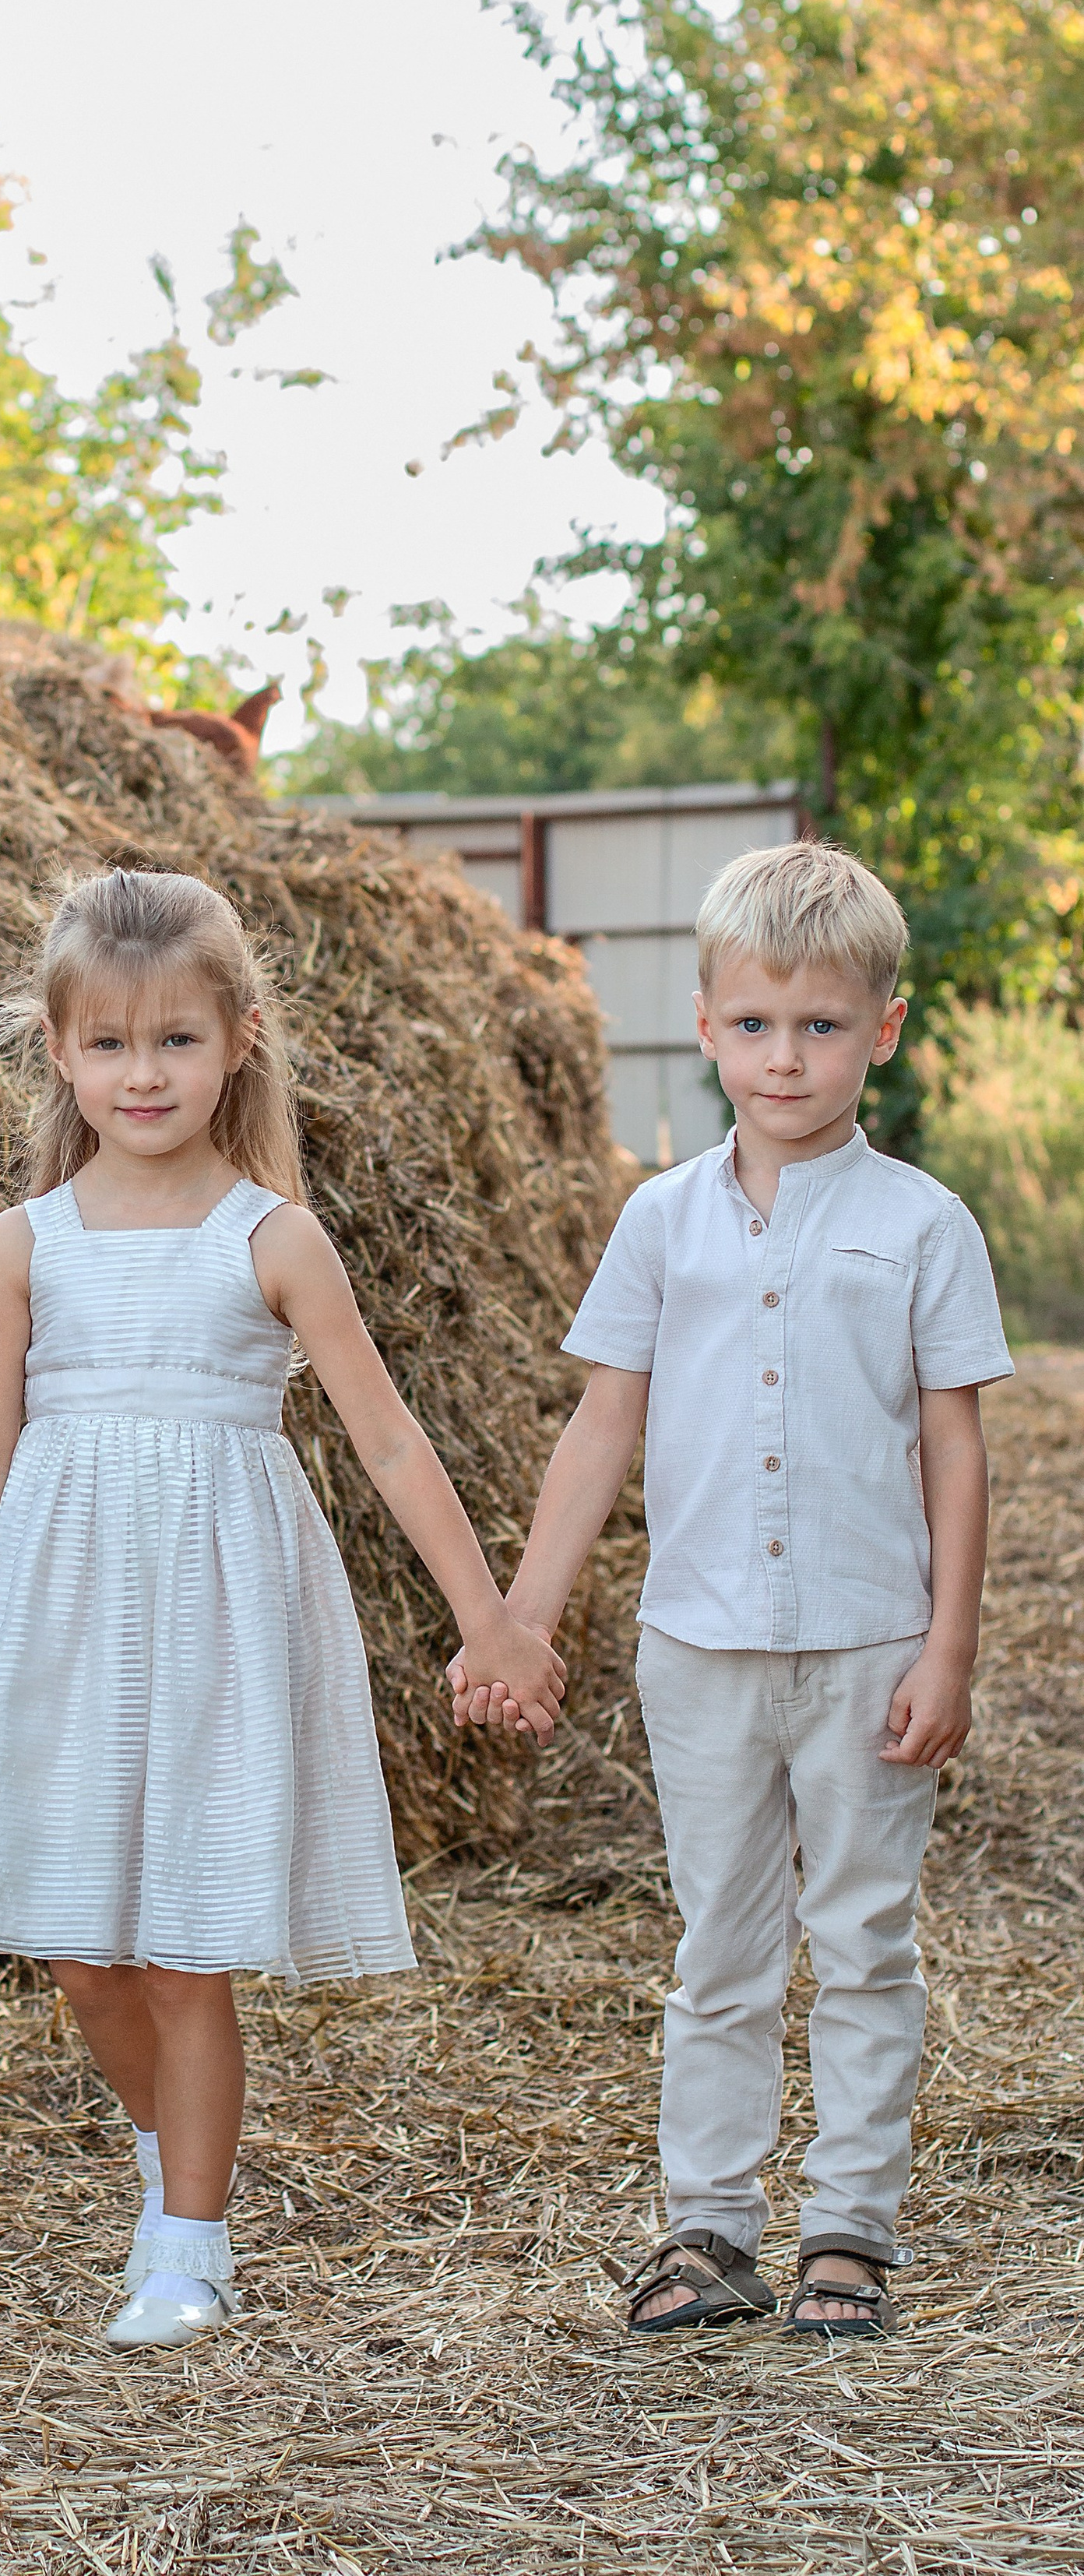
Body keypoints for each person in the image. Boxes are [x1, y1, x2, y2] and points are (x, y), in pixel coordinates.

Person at [0, 867, 565, 2351]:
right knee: (82, 1953)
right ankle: (171, 2157)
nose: (142, 1075)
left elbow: (389, 1441)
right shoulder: (25, 1243)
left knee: (182, 1949)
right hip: (63, 1622)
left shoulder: (272, 1238)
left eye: (176, 1040)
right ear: (60, 1051)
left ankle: (189, 2249)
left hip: (217, 1622)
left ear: (239, 1040)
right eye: (109, 1044)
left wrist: (489, 1618)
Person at [452, 840, 1012, 2339]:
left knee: (866, 1940)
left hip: (870, 1640)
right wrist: (522, 1617)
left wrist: (951, 1648)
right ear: (704, 1025)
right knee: (720, 1948)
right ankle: (708, 2231)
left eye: (821, 1026)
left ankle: (850, 2234)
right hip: (696, 1647)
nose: (786, 1058)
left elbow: (953, 1448)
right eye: (755, 1024)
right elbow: (602, 1425)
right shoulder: (662, 1221)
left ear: (882, 1031)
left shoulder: (924, 1226)